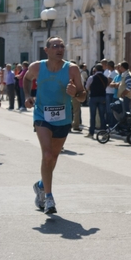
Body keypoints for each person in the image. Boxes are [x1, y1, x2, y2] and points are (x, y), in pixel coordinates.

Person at [23, 36, 86, 214]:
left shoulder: (72, 70)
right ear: (47, 50)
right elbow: (26, 79)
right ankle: (49, 197)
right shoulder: (37, 67)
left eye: (62, 46)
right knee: (47, 154)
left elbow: (83, 96)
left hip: (63, 118)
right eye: (55, 46)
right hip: (42, 116)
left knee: (54, 157)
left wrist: (75, 93)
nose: (59, 48)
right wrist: (28, 96)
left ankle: (41, 185)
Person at [85, 63, 108, 138]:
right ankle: (104, 133)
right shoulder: (105, 78)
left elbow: (87, 87)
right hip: (102, 97)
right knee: (102, 116)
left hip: (93, 97)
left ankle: (91, 133)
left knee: (93, 116)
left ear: (95, 69)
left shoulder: (92, 77)